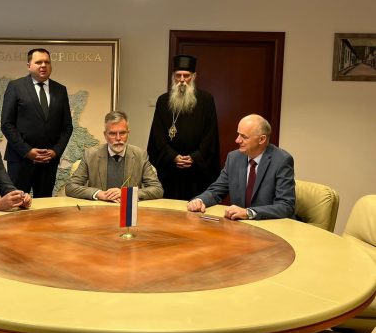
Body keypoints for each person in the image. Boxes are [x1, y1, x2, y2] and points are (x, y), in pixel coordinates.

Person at [187, 114, 295, 220]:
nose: (237, 140)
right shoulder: (234, 157)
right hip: (240, 226)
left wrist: (249, 213)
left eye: (244, 137)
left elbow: (286, 206)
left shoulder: (282, 160)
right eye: (238, 134)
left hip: (271, 226)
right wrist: (200, 200)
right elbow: (216, 191)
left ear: (262, 139)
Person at [1, 48, 73, 197]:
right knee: (17, 203)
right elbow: (7, 124)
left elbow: (67, 127)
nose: (43, 65)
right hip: (20, 159)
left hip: (48, 161)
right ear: (29, 66)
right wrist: (27, 151)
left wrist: (55, 151)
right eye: (39, 62)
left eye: (47, 62)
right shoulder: (16, 87)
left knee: (44, 205)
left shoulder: (60, 90)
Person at [147, 54, 220, 200]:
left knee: (195, 207)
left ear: (193, 77)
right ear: (173, 76)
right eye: (178, 75)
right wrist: (173, 156)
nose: (182, 80)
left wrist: (194, 157)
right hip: (170, 170)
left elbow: (210, 135)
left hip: (197, 171)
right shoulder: (163, 101)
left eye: (186, 76)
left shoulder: (206, 100)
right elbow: (157, 135)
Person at [65, 111, 163, 202]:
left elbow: (157, 189)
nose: (118, 138)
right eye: (112, 134)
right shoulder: (90, 155)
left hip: (128, 210)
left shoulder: (140, 155)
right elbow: (71, 187)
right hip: (99, 209)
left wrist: (127, 194)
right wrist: (99, 193)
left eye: (122, 133)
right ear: (105, 135)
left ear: (128, 133)